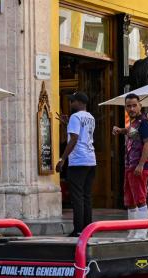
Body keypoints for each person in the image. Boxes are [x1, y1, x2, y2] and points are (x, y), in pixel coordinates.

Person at [55, 91, 96, 237]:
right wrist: (67, 124)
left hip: (78, 160)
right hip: (91, 160)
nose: (71, 103)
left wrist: (62, 159)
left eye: (72, 101)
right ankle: (88, 230)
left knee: (77, 197)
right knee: (86, 196)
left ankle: (78, 230)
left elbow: (74, 139)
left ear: (79, 102)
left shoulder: (75, 116)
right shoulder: (90, 117)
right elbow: (83, 134)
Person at [112, 93, 148, 239]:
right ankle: (133, 230)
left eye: (134, 105)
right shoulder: (134, 123)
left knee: (140, 198)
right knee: (129, 200)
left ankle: (142, 232)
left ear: (140, 105)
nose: (131, 108)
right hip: (130, 165)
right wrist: (120, 130)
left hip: (139, 166)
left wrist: (141, 164)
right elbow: (131, 133)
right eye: (128, 106)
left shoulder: (144, 122)